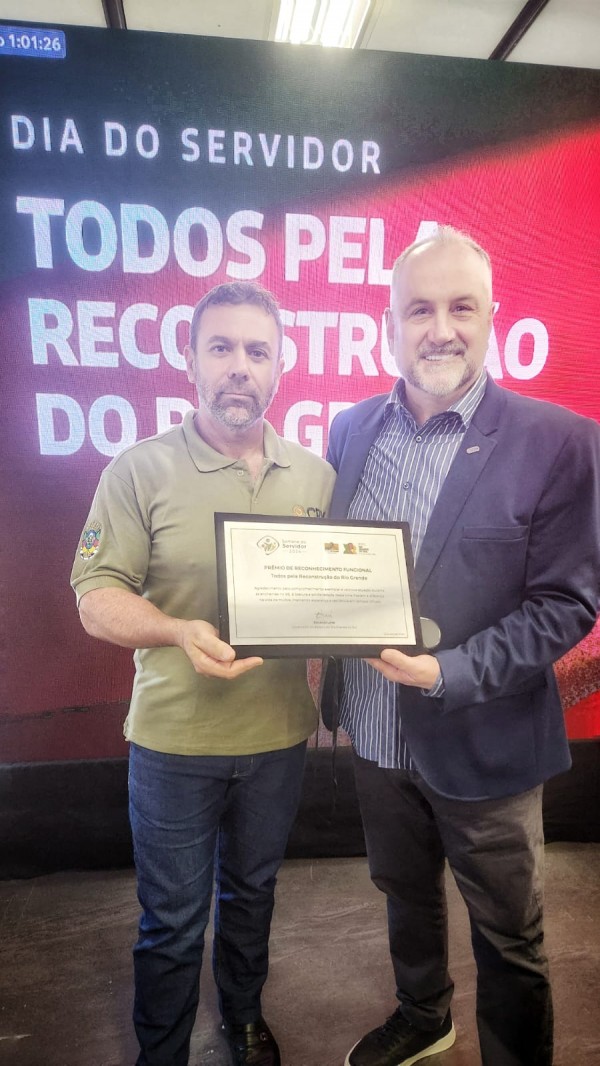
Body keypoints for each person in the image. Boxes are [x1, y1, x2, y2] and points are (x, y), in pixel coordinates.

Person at [324, 226, 600, 1066]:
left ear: (492, 319)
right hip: (373, 729)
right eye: (419, 309)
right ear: (389, 322)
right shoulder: (349, 429)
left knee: (509, 934)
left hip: (486, 737)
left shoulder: (562, 439)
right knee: (402, 891)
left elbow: (567, 605)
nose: (439, 328)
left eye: (461, 307)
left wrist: (451, 670)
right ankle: (424, 1013)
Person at [71, 281, 335, 1066]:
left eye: (257, 350)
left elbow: (340, 591)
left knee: (252, 898)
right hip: (174, 743)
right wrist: (176, 630)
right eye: (221, 347)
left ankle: (244, 1019)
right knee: (174, 918)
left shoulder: (316, 478)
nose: (239, 368)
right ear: (189, 362)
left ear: (281, 366)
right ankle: (164, 1050)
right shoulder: (138, 470)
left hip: (279, 737)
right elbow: (94, 598)